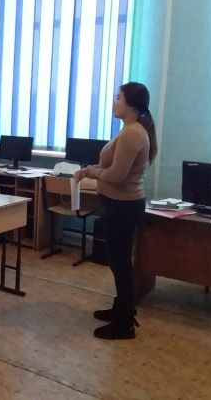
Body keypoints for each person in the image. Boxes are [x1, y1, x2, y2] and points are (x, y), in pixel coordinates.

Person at [74, 82, 156, 340]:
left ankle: (125, 323)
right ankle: (120, 308)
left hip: (123, 206)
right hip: (118, 204)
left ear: (131, 105)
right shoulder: (130, 130)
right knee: (118, 261)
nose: (114, 102)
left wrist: (90, 171)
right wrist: (95, 172)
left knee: (120, 263)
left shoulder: (133, 134)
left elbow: (117, 176)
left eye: (118, 97)